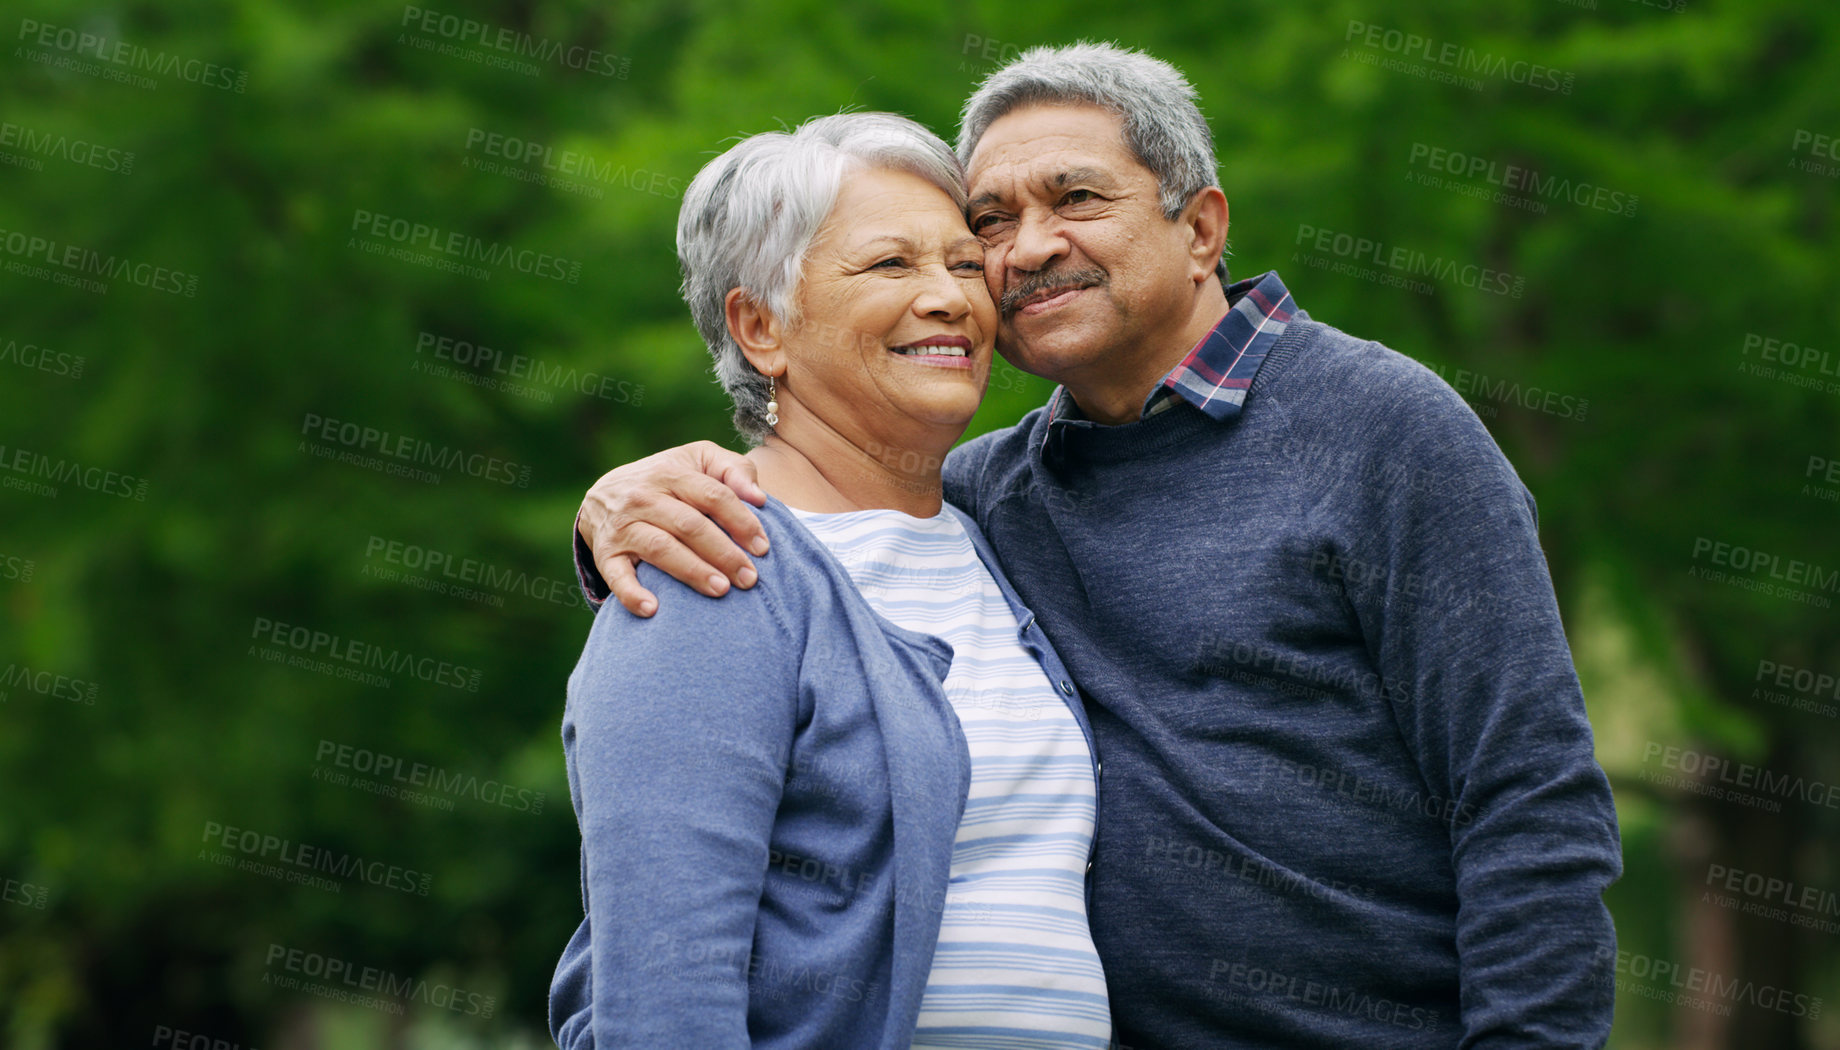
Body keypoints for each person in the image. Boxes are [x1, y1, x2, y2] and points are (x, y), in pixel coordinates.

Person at [573, 43, 1624, 1050]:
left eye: (1076, 199)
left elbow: (1529, 806)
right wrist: (616, 514)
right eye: (992, 220)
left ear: (1202, 228)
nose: (1024, 249)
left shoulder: (1385, 432)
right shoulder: (994, 496)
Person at [549, 112, 1112, 1050]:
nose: (950, 299)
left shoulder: (999, 534)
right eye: (891, 266)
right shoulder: (714, 573)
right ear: (760, 326)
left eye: (965, 265)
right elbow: (667, 1006)